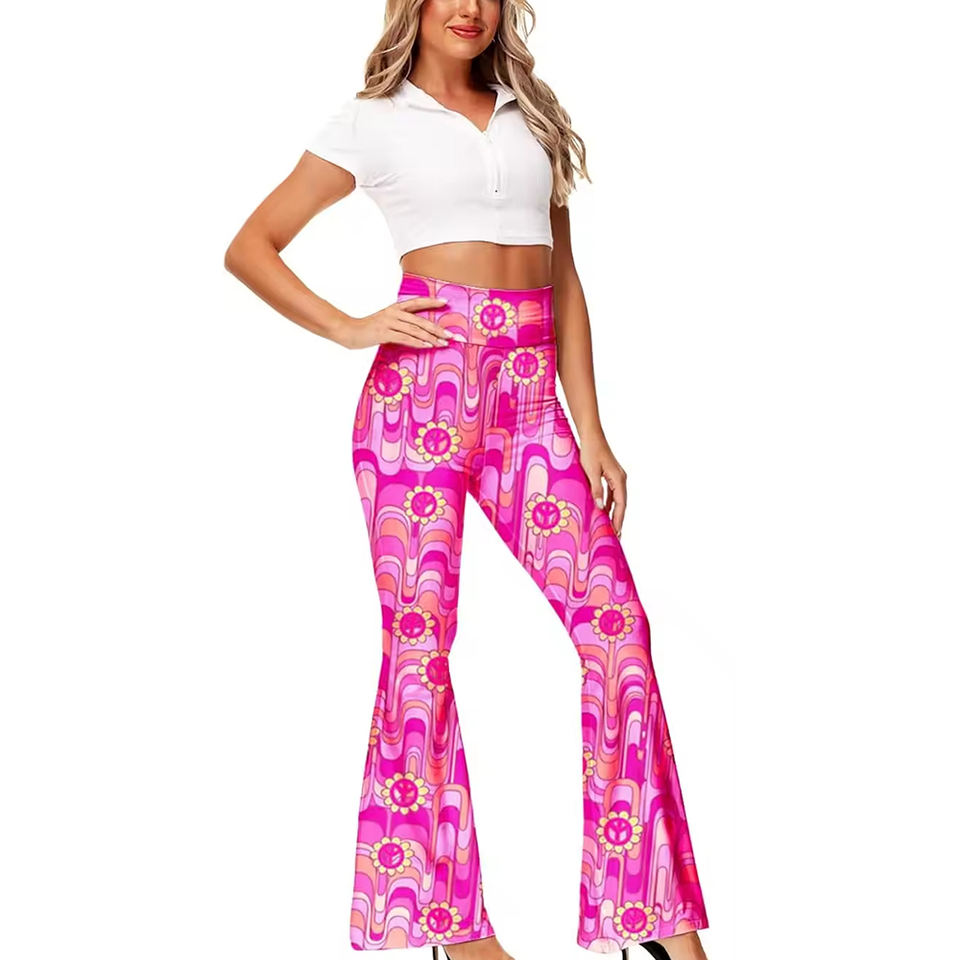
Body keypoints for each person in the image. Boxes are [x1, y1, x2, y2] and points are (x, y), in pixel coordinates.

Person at [224, 3, 710, 959]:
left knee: (618, 629)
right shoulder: (371, 120)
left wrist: (590, 428)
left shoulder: (533, 112)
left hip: (530, 402)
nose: (468, 7)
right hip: (420, 397)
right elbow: (251, 245)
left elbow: (565, 282)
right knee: (419, 650)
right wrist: (351, 326)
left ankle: (652, 917)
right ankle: (453, 930)